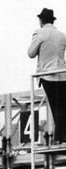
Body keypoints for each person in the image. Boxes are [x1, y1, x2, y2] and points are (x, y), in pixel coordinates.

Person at [28, 8, 66, 144]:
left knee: (55, 106)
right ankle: (61, 137)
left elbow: (31, 53)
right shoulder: (62, 35)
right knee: (62, 107)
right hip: (62, 75)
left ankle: (60, 139)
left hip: (47, 75)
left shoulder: (39, 33)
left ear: (41, 20)